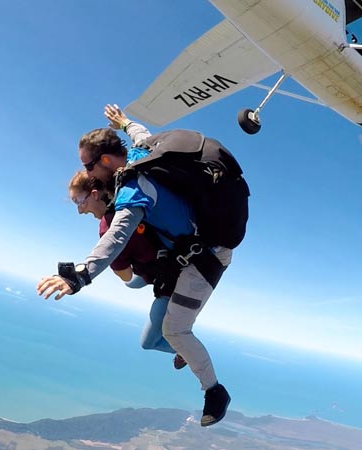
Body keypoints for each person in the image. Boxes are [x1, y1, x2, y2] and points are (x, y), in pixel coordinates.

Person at [37, 105, 248, 427]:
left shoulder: (133, 188)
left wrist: (82, 275)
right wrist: (125, 123)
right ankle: (185, 352)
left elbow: (118, 234)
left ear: (105, 161)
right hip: (191, 255)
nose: (88, 173)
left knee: (175, 330)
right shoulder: (144, 155)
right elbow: (142, 135)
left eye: (89, 165)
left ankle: (215, 391)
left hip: (206, 258)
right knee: (157, 337)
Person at [68, 169, 186, 362]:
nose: (80, 210)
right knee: (132, 283)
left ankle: (183, 350)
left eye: (80, 202)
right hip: (170, 259)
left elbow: (126, 274)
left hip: (169, 283)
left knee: (148, 342)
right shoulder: (131, 199)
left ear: (95, 194)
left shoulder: (107, 227)